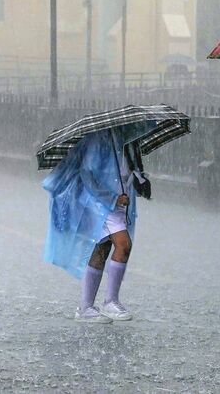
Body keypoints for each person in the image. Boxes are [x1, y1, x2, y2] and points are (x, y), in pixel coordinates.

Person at [43, 127, 149, 324]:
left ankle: (86, 307)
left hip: (120, 204)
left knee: (101, 249)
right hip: (101, 203)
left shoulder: (127, 140)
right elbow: (87, 174)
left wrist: (140, 180)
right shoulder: (98, 140)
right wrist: (112, 198)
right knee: (123, 245)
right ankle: (111, 301)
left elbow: (130, 171)